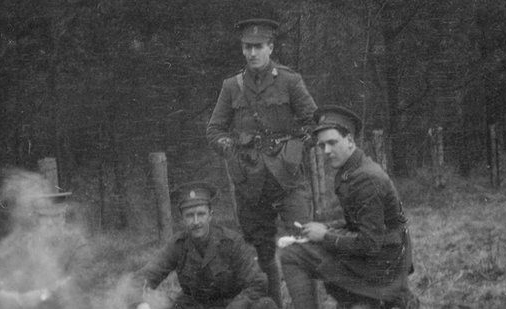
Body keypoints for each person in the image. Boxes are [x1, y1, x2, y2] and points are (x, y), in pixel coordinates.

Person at [205, 18, 318, 306]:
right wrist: (229, 149)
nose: (252, 53)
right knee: (261, 254)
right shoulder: (232, 86)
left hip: (288, 179)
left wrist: (295, 148)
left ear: (270, 47)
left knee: (302, 245)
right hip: (251, 185)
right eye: (247, 47)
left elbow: (314, 123)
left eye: (258, 47)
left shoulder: (290, 81)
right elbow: (214, 129)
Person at [280, 106, 418, 309]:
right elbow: (359, 221)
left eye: (332, 143)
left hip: (380, 265)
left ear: (350, 141)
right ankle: (361, 299)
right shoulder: (353, 169)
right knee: (301, 250)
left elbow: (369, 243)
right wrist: (326, 227)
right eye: (322, 145)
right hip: (382, 258)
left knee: (292, 255)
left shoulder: (366, 179)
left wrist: (325, 236)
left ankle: (384, 298)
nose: (326, 151)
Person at [128, 181, 278, 309]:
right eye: (189, 216)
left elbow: (257, 282)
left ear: (210, 215)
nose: (196, 222)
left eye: (200, 214)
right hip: (194, 306)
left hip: (230, 305)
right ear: (182, 218)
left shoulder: (231, 242)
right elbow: (142, 278)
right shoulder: (177, 245)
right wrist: (141, 305)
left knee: (265, 305)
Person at [0, 171, 89, 309]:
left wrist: (44, 295)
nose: (51, 222)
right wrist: (0, 295)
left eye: (57, 215)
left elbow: (80, 280)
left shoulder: (76, 243)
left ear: (64, 215)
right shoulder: (18, 242)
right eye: (45, 216)